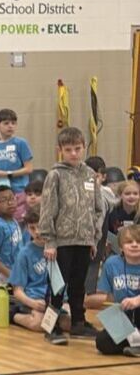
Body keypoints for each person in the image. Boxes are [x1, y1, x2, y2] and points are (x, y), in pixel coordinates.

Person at [39, 125, 104, 343]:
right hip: (61, 242)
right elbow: (48, 209)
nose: (74, 153)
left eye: (77, 148)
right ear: (60, 150)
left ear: (84, 147)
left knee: (79, 284)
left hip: (84, 240)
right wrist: (49, 241)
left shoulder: (90, 175)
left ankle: (78, 322)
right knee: (58, 285)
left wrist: (93, 237)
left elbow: (97, 208)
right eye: (69, 150)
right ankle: (51, 326)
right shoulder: (55, 175)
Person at [9, 210, 71, 337]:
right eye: (32, 228)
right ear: (27, 229)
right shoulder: (24, 254)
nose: (37, 232)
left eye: (41, 227)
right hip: (35, 300)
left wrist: (66, 303)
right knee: (39, 324)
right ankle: (13, 316)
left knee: (68, 325)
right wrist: (32, 303)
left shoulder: (59, 250)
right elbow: (17, 291)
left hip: (57, 301)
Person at [94, 222, 140, 356]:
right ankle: (134, 344)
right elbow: (107, 296)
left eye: (138, 241)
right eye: (129, 242)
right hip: (123, 317)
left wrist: (136, 300)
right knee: (102, 342)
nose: (134, 245)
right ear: (121, 247)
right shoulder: (111, 264)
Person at [0, 107, 33, 219]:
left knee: (18, 222)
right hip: (1, 191)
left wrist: (7, 174)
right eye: (6, 123)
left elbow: (29, 168)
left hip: (18, 190)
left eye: (13, 123)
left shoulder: (21, 143)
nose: (10, 126)